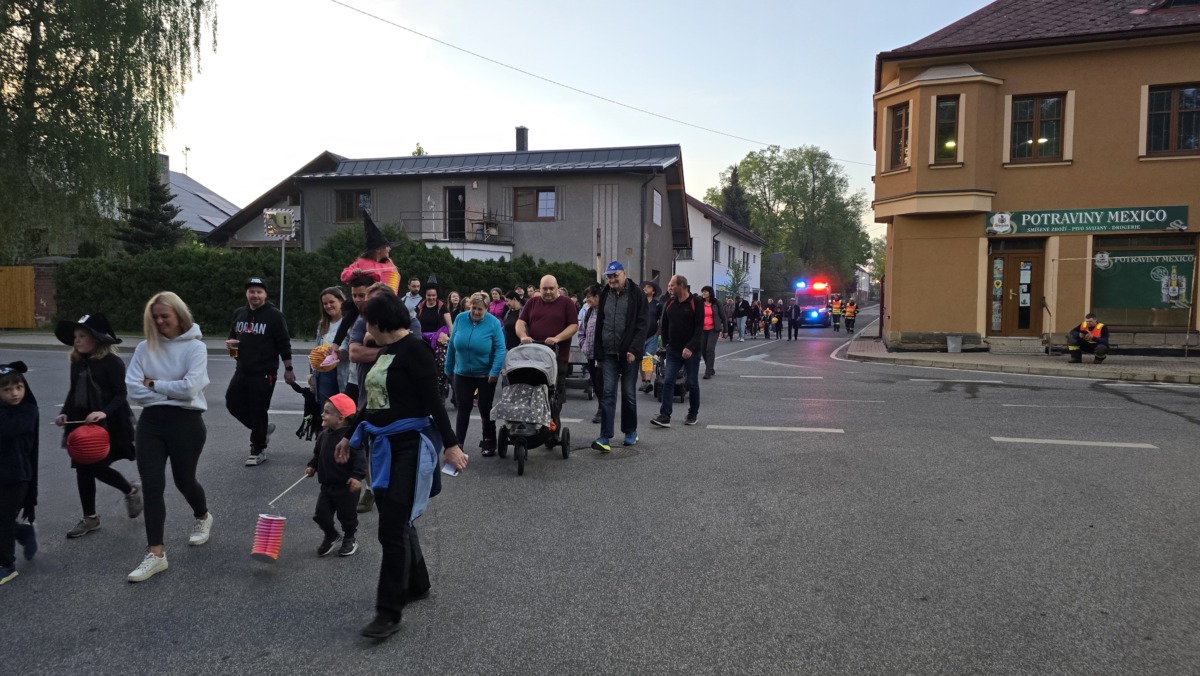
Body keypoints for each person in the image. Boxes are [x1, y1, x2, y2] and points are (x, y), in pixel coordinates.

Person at [339, 293, 467, 639]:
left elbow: (434, 403)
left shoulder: (415, 351)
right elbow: (372, 403)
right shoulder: (387, 351)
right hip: (382, 447)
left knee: (391, 528)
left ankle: (388, 612)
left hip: (409, 447)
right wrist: (348, 436)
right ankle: (418, 582)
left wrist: (451, 445)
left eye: (367, 322)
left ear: (379, 322)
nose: (365, 329)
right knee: (399, 519)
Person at [125, 292, 212, 583]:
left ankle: (202, 516)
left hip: (186, 423)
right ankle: (156, 554)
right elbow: (133, 389)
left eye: (165, 316)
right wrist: (170, 390)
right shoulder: (143, 348)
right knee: (152, 487)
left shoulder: (196, 348)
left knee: (184, 481)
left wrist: (153, 384)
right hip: (150, 423)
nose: (160, 321)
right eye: (155, 317)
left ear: (179, 315)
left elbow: (190, 389)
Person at [53, 313, 141, 539]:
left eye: (82, 336)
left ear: (97, 339)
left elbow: (120, 395)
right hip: (80, 421)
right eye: (75, 336)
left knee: (97, 467)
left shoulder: (112, 362)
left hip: (108, 422)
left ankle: (130, 490)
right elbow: (73, 391)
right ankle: (90, 517)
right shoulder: (77, 361)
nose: (77, 340)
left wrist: (103, 412)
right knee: (82, 468)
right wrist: (64, 413)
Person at [225, 277, 295, 467]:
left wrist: (288, 369)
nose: (255, 295)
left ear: (265, 294)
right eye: (251, 291)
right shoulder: (239, 313)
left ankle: (258, 449)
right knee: (232, 403)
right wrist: (231, 347)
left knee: (258, 409)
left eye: (259, 292)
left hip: (264, 372)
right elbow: (233, 338)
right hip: (242, 369)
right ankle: (262, 430)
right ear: (246, 293)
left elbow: (284, 343)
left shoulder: (274, 315)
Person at [591, 261, 648, 452]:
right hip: (608, 352)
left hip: (629, 353)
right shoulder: (605, 294)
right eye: (609, 276)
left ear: (624, 274)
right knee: (608, 393)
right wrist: (598, 352)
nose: (612, 280)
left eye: (615, 276)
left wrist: (634, 349)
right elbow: (600, 323)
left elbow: (642, 324)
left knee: (628, 393)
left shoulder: (636, 293)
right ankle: (605, 437)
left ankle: (630, 431)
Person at [445, 293, 506, 456]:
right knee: (463, 408)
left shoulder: (493, 323)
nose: (476, 312)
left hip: (485, 374)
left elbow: (500, 348)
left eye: (480, 309)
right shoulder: (460, 318)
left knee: (485, 408)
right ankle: (458, 444)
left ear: (487, 309)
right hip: (462, 372)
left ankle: (489, 441)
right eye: (473, 308)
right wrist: (448, 367)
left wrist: (494, 371)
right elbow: (452, 345)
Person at [305, 393, 365, 557]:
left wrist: (357, 477)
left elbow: (360, 459)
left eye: (327, 412)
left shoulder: (351, 438)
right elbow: (317, 455)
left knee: (347, 516)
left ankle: (349, 538)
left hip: (346, 486)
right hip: (326, 486)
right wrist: (312, 466)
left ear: (341, 418)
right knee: (320, 515)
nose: (322, 415)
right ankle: (331, 534)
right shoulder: (323, 434)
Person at [516, 274, 579, 426]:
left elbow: (573, 326)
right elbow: (520, 322)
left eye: (551, 288)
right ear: (540, 288)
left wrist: (557, 338)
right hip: (534, 357)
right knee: (532, 392)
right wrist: (523, 335)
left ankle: (553, 425)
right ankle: (533, 424)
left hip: (557, 358)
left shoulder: (566, 303)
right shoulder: (532, 302)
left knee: (554, 395)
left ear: (557, 288)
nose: (548, 292)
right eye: (545, 289)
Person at [0, 361, 39, 585]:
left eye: (19, 387)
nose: (15, 393)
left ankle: (7, 564)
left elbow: (8, 429)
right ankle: (22, 532)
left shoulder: (28, 411)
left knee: (3, 519)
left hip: (16, 476)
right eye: (7, 389)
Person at [651, 275, 702, 428]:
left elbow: (699, 328)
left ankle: (693, 413)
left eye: (672, 285)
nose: (670, 288)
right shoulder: (670, 303)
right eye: (669, 285)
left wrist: (690, 347)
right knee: (668, 381)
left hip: (691, 351)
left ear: (682, 285)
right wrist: (666, 344)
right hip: (673, 351)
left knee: (692, 382)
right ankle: (665, 415)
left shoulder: (695, 302)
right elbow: (664, 325)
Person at [340, 212, 399, 293]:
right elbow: (344, 275)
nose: (389, 249)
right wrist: (354, 273)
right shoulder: (361, 262)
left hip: (382, 297)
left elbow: (392, 287)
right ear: (378, 250)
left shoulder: (389, 265)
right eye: (386, 247)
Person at [311, 287, 348, 412]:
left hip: (343, 371)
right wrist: (313, 374)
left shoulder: (348, 322)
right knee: (327, 409)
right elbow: (317, 349)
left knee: (342, 410)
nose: (328, 306)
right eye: (325, 303)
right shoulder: (323, 324)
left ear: (341, 301)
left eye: (331, 302)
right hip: (324, 373)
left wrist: (340, 353)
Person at [577, 284, 603, 424]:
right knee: (595, 382)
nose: (587, 300)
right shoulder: (588, 312)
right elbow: (582, 331)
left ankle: (602, 409)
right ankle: (601, 406)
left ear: (597, 297)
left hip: (602, 356)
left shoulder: (605, 311)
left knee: (600, 382)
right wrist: (583, 345)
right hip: (590, 355)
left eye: (589, 297)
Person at [639, 280, 662, 394]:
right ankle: (643, 381)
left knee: (647, 358)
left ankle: (648, 381)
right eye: (644, 287)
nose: (645, 288)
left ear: (653, 292)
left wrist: (657, 333)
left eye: (648, 287)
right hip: (640, 335)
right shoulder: (640, 303)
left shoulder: (657, 305)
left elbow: (661, 319)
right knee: (640, 359)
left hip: (652, 336)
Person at [698, 286, 725, 379]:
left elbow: (723, 316)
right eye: (702, 292)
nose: (703, 293)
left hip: (713, 329)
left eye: (705, 292)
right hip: (702, 330)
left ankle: (708, 371)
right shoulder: (700, 303)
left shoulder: (716, 303)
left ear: (710, 293)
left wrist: (725, 330)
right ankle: (710, 367)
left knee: (709, 349)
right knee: (703, 350)